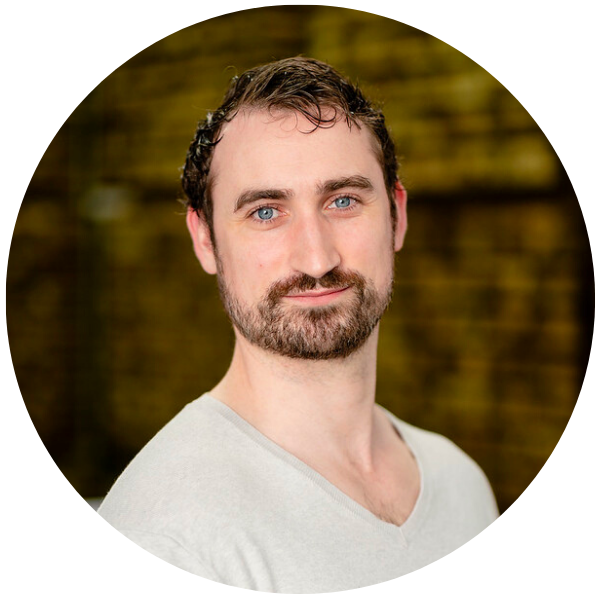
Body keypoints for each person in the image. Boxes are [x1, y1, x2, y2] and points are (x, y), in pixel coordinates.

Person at [98, 57, 498, 593]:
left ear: (397, 216)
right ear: (205, 240)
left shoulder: (462, 485)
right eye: (266, 211)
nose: (316, 258)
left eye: (343, 200)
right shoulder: (165, 538)